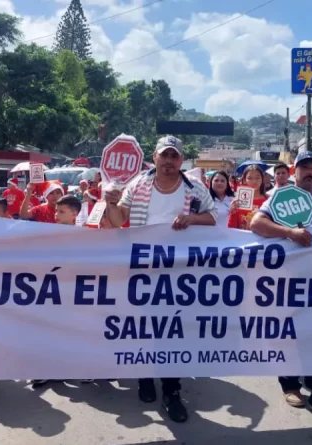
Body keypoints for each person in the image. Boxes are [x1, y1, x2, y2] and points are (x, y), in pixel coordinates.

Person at [103, 135, 217, 423]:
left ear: (181, 160)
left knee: (172, 330)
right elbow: (119, 221)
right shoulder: (138, 184)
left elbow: (213, 217)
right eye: (164, 155)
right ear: (154, 157)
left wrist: (191, 219)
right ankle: (144, 378)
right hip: (142, 268)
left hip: (179, 272)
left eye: (174, 156)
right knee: (143, 327)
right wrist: (110, 203)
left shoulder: (195, 187)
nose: (168, 161)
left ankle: (171, 390)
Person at [250, 151, 312, 420]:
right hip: (286, 279)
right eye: (305, 167)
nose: (310, 172)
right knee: (289, 335)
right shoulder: (279, 198)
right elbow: (257, 223)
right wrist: (290, 233)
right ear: (294, 171)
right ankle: (290, 385)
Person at [228, 165, 268, 230]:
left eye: (257, 178)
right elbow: (232, 227)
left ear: (262, 179)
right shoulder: (237, 201)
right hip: (243, 238)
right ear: (244, 180)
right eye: (250, 178)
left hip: (263, 239)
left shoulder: (269, 200)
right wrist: (232, 213)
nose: (254, 181)